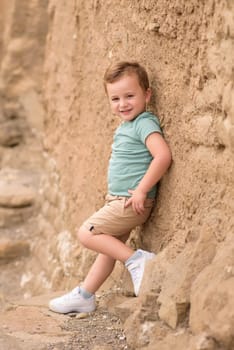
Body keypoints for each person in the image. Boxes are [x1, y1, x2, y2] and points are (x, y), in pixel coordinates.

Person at [49, 61, 172, 314]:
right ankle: (85, 294)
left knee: (87, 233)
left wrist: (141, 190)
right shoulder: (126, 126)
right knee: (107, 251)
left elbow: (162, 156)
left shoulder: (144, 123)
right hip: (117, 201)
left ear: (147, 95)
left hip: (130, 202)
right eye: (115, 98)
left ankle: (137, 260)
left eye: (129, 96)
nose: (122, 104)